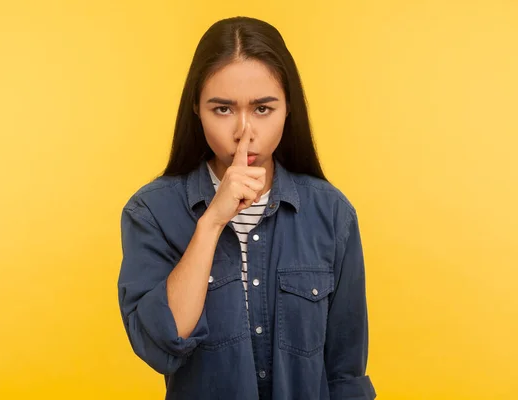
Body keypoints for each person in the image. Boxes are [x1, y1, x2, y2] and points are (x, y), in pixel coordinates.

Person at [117, 16, 376, 400]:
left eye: (262, 109)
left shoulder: (332, 214)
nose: (243, 131)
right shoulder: (151, 212)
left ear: (289, 108)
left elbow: (345, 372)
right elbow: (162, 342)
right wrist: (212, 222)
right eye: (222, 109)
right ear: (196, 108)